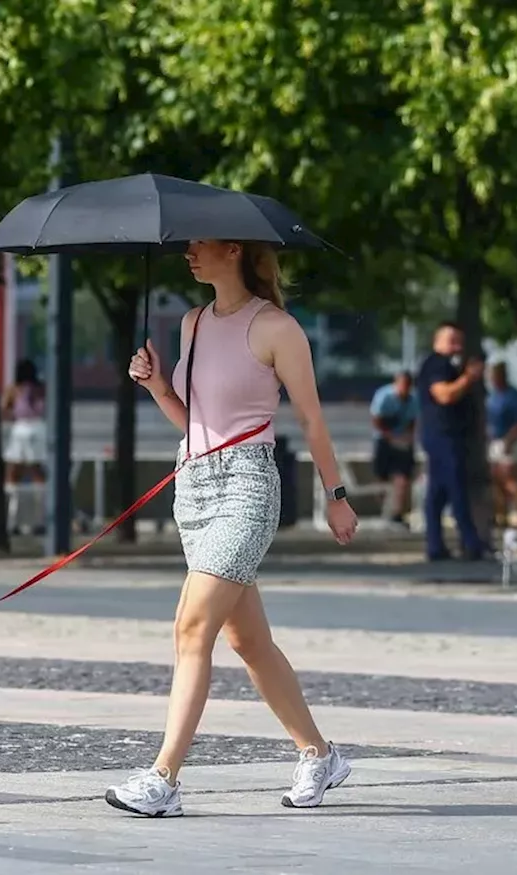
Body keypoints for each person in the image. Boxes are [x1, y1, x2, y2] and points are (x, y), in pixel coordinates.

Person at [113, 238, 359, 818]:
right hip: (193, 485)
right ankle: (319, 753)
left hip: (248, 488)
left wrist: (336, 495)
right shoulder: (192, 323)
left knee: (191, 627)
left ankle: (164, 778)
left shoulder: (277, 329)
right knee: (247, 641)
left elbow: (311, 417)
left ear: (234, 250)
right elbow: (195, 421)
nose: (188, 254)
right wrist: (155, 388)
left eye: (199, 246)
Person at [414, 322, 489, 561]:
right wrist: (468, 378)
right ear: (438, 341)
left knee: (438, 493)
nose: (457, 346)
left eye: (459, 341)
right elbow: (444, 395)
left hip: (450, 435)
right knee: (457, 489)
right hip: (443, 436)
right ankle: (471, 542)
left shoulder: (451, 366)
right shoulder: (436, 364)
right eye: (451, 340)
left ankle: (435, 545)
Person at [369, 371, 419, 527]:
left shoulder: (413, 400)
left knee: (403, 476)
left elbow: (412, 422)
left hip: (402, 438)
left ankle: (397, 511)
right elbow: (377, 420)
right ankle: (384, 507)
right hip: (384, 438)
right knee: (382, 476)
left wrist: (407, 438)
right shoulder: (385, 396)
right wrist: (390, 437)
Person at [486, 361, 517, 528]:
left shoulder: (512, 396)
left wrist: (509, 440)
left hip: (509, 441)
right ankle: (501, 515)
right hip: (494, 440)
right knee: (495, 479)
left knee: (509, 479)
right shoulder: (492, 396)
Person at [1, 358, 47, 486]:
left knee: (14, 469)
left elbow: (4, 409)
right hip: (39, 427)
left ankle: (11, 501)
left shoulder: (14, 389)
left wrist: (14, 414)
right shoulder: (41, 388)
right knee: (36, 467)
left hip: (20, 428)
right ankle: (43, 498)